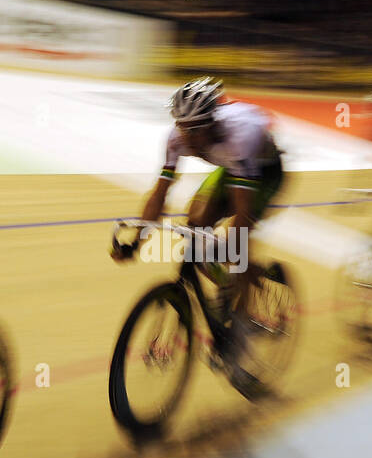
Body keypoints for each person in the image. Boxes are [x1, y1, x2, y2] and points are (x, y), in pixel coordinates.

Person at [115, 77, 285, 369]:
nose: (188, 136)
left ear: (212, 121)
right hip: (230, 169)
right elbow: (160, 194)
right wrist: (138, 242)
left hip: (264, 173)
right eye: (183, 127)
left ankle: (240, 333)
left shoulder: (238, 136)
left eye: (196, 128)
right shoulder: (175, 137)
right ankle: (227, 281)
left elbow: (242, 216)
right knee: (194, 224)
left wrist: (234, 252)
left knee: (236, 249)